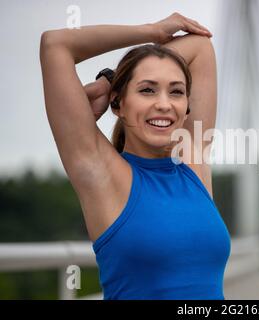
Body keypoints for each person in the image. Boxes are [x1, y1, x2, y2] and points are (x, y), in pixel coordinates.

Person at [40, 13, 231, 300]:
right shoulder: (101, 172)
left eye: (176, 92)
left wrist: (114, 81)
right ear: (119, 104)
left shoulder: (193, 160)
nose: (164, 104)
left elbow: (200, 47)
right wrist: (150, 31)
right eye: (147, 90)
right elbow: (55, 44)